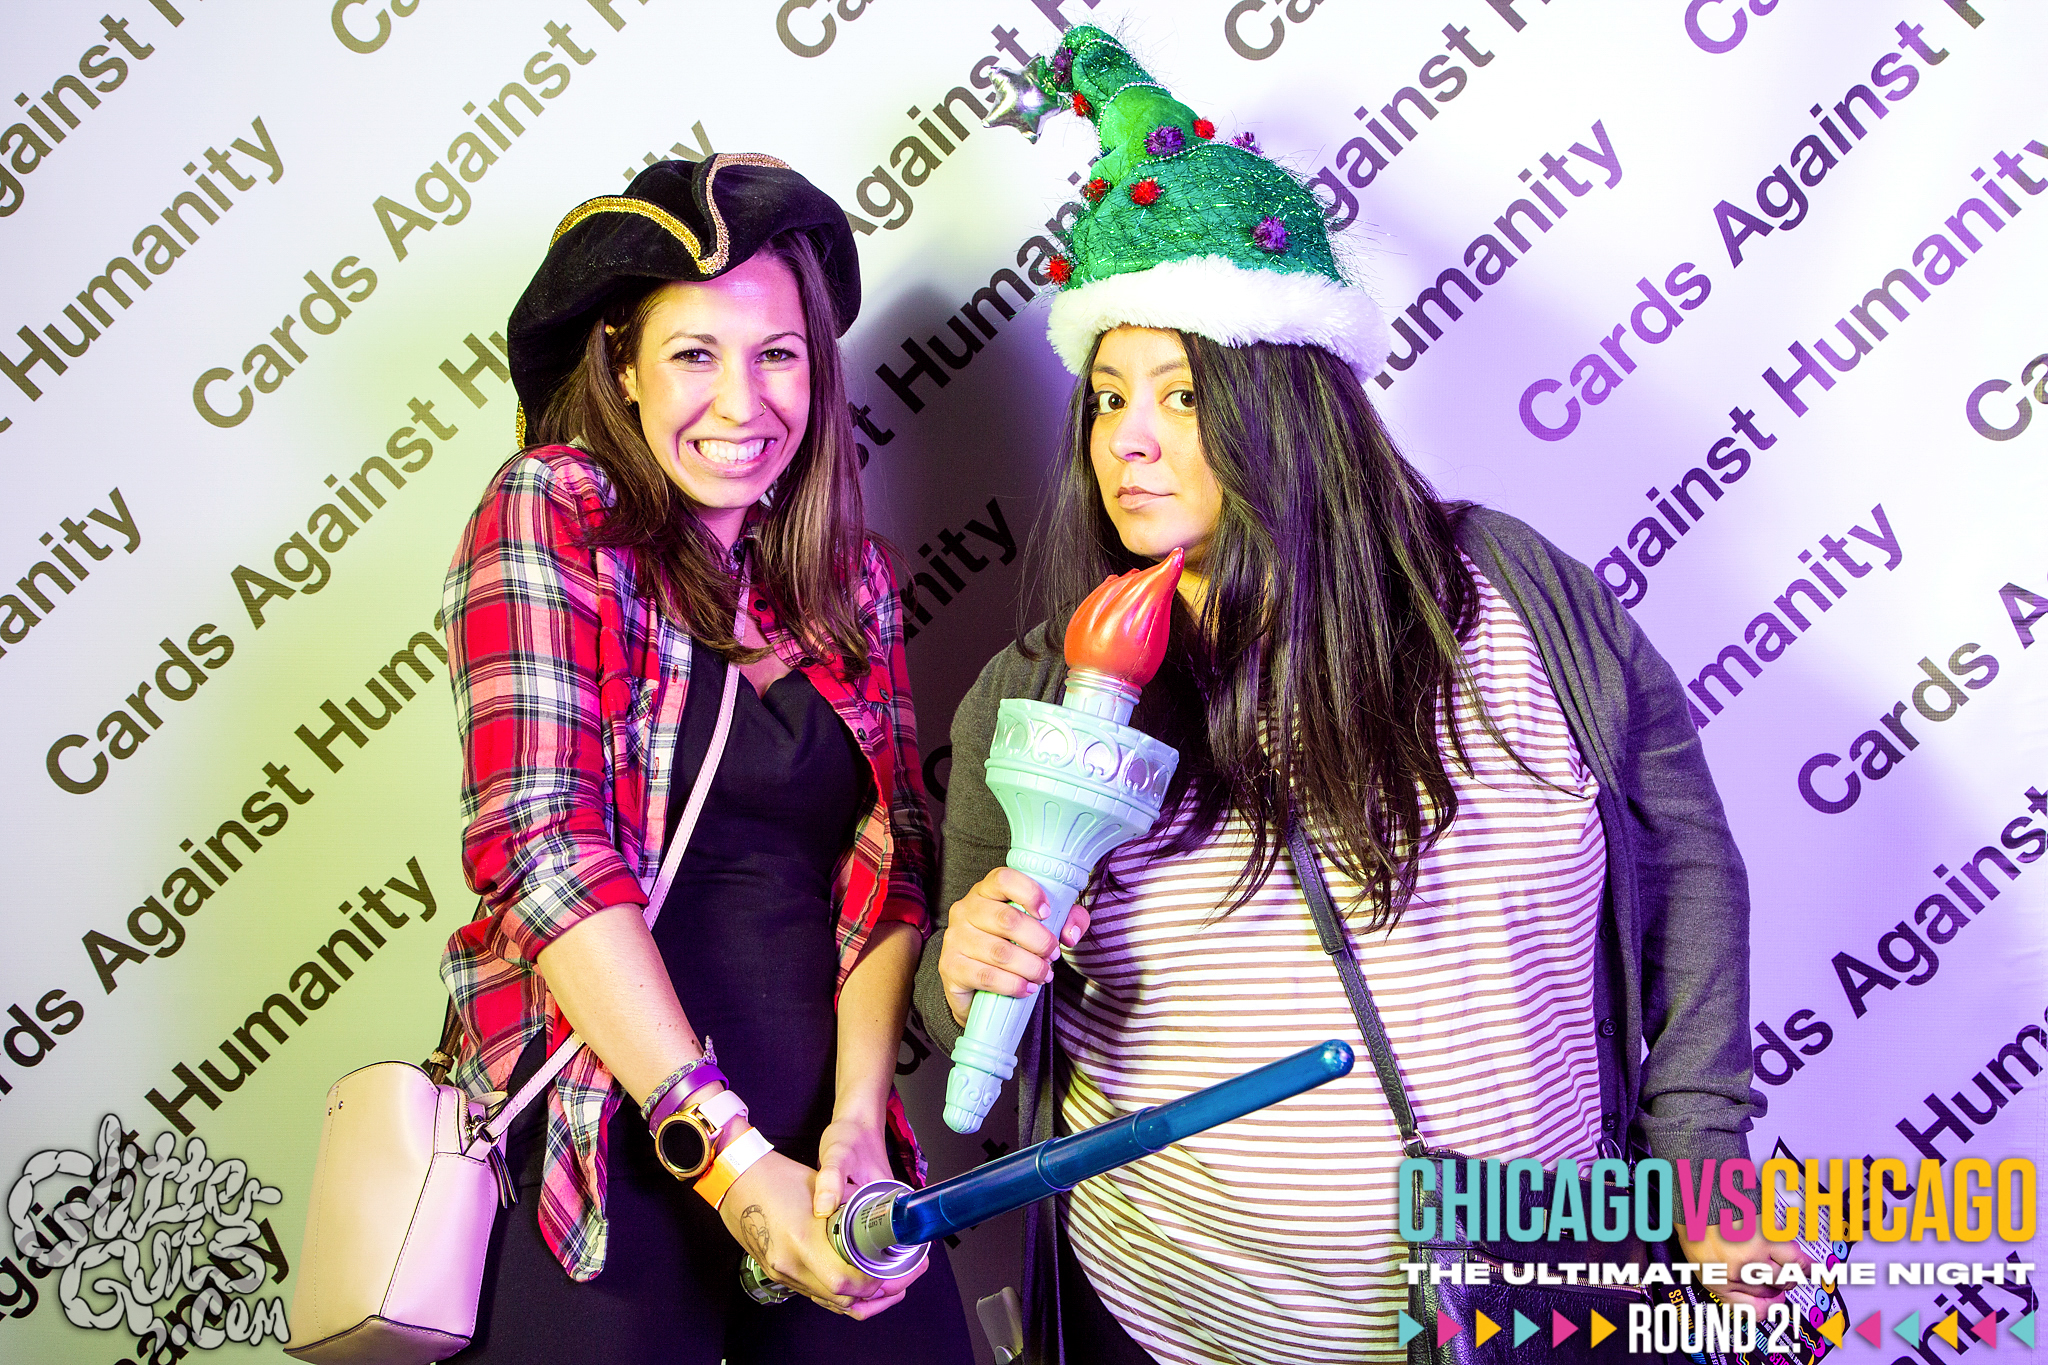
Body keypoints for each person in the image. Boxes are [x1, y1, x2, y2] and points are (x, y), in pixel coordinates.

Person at [917, 30, 1792, 1365]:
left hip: (1540, 1303)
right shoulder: (1033, 694)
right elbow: (965, 1023)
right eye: (1105, 398)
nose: (1126, 439)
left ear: (1286, 401)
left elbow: (1687, 871)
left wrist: (1708, 1176)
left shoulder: (1515, 596)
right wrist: (966, 970)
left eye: (1181, 395)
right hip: (1184, 1324)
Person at [438, 154, 972, 1364]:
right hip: (608, 1140)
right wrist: (726, 1159)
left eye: (777, 354)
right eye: (694, 354)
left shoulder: (849, 580)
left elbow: (895, 868)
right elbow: (539, 849)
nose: (743, 401)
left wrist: (856, 1125)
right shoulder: (553, 510)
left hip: (822, 1150)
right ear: (621, 367)